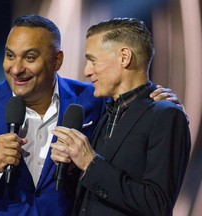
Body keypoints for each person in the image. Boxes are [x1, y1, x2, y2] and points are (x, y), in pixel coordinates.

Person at [0, 14, 184, 216]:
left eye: (30, 57)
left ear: (57, 60)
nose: (16, 68)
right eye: (10, 55)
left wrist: (163, 99)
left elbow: (132, 100)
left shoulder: (92, 100)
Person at [50, 18, 191, 216]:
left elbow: (157, 204)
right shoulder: (108, 111)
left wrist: (90, 164)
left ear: (124, 57)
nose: (86, 71)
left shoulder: (167, 115)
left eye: (92, 60)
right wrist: (74, 168)